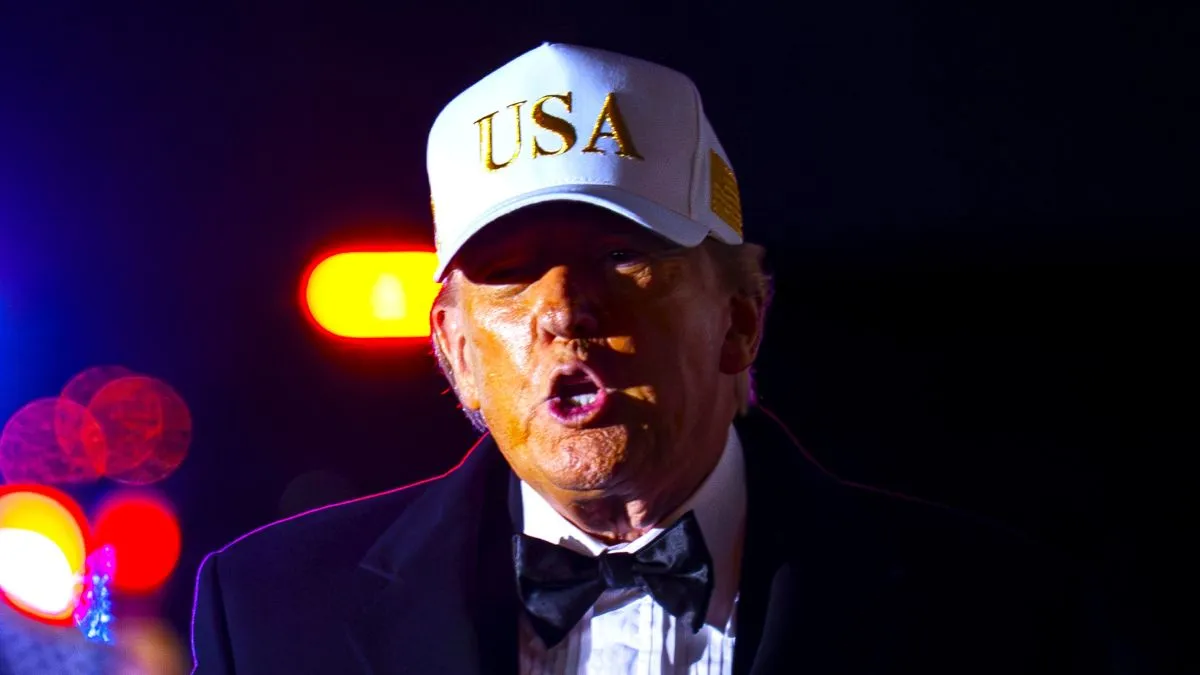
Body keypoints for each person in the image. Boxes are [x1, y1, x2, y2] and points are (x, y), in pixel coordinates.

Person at [191, 43, 1108, 674]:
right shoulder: (273, 613)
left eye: (621, 260)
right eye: (509, 274)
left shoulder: (992, 610)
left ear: (742, 317)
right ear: (456, 350)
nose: (563, 310)